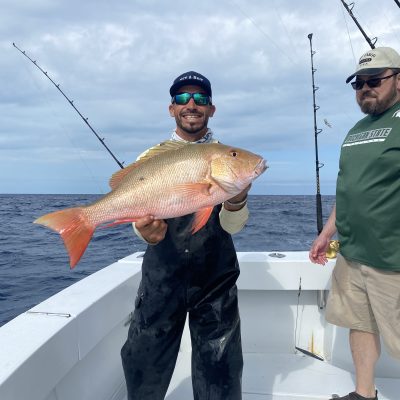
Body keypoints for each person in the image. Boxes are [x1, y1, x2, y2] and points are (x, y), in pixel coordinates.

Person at [121, 71, 251, 400]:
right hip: (161, 278)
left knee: (220, 369)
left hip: (215, 279)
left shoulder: (225, 158)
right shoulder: (149, 158)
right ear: (171, 109)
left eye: (200, 99)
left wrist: (236, 199)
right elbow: (137, 215)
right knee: (143, 362)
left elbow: (233, 226)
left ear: (211, 109)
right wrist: (144, 231)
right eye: (182, 98)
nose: (191, 104)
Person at [309, 47, 400, 400]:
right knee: (359, 325)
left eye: (374, 80)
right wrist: (326, 233)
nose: (365, 88)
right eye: (358, 83)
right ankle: (364, 394)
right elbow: (348, 189)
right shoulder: (356, 131)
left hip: (392, 259)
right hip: (352, 255)